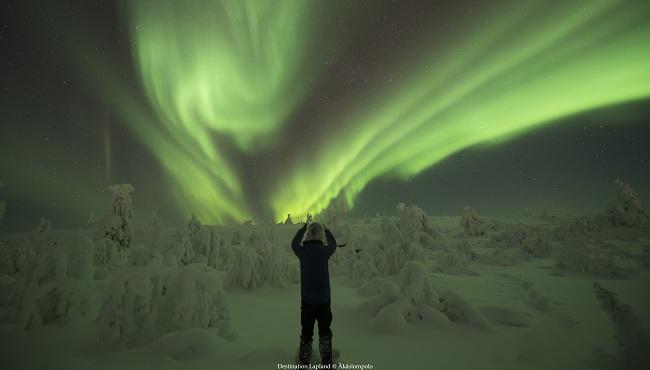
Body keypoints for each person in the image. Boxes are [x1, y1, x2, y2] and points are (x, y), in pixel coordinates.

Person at [291, 222, 341, 367]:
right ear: (321, 235)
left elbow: (294, 243)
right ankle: (326, 363)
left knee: (306, 334)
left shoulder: (302, 252)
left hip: (307, 302)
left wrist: (302, 229)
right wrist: (328, 229)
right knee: (325, 333)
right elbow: (334, 243)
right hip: (324, 301)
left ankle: (304, 363)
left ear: (307, 235)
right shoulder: (325, 252)